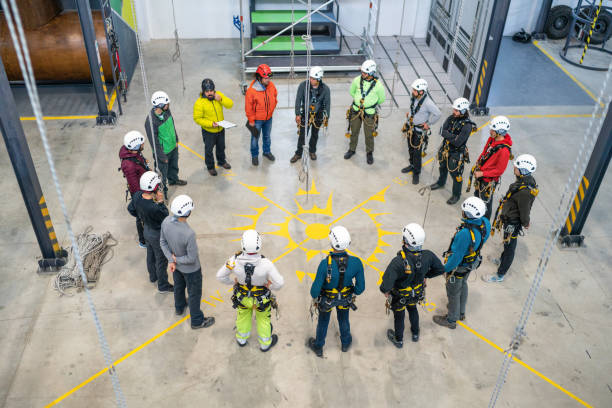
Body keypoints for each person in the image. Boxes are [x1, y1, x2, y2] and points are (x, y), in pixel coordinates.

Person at [216, 230, 284, 351]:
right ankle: (265, 344)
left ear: (242, 244)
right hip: (261, 300)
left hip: (242, 298)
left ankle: (241, 339)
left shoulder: (234, 260)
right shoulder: (266, 264)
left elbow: (220, 276)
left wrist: (233, 282)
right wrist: (270, 286)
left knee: (243, 317)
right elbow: (279, 283)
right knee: (263, 320)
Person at [380, 223, 445, 347]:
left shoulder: (397, 262)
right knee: (413, 309)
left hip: (400, 297)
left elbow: (385, 286)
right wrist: (426, 275)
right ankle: (415, 333)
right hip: (416, 294)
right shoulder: (428, 255)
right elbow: (440, 269)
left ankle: (399, 340)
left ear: (405, 241)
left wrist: (387, 291)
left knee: (399, 317)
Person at [433, 197, 490, 329]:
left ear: (467, 214)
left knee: (453, 292)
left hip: (460, 266)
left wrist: (444, 269)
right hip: (473, 261)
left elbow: (456, 258)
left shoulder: (465, 234)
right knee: (463, 283)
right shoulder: (485, 223)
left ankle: (452, 319)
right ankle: (461, 312)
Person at [307, 226, 365, 357]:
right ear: (348, 243)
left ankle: (319, 346)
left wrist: (316, 298)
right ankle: (345, 343)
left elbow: (314, 291)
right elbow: (360, 288)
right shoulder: (356, 263)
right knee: (343, 319)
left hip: (326, 301)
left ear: (331, 242)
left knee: (323, 322)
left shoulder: (324, 264)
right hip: (345, 299)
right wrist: (351, 292)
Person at [160, 195, 215, 329]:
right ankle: (197, 321)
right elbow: (191, 258)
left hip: (176, 268)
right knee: (194, 294)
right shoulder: (189, 234)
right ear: (188, 212)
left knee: (178, 286)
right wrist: (175, 259)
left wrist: (171, 260)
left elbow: (162, 242)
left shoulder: (166, 221)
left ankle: (179, 307)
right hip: (191, 271)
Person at [485, 154, 538, 283]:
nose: (514, 167)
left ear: (523, 171)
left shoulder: (525, 191)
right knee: (506, 242)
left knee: (510, 247)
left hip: (513, 222)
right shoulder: (523, 181)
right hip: (510, 217)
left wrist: (526, 222)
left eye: (517, 167)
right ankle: (502, 260)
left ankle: (500, 274)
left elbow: (524, 210)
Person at [127, 171, 173, 293]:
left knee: (150, 254)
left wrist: (141, 216)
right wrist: (161, 202)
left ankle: (153, 277)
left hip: (146, 230)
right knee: (161, 260)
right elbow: (166, 216)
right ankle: (163, 285)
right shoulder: (155, 207)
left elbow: (130, 209)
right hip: (157, 235)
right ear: (154, 187)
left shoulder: (137, 195)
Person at [429, 97, 476, 205]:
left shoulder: (467, 126)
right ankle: (441, 182)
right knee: (442, 167)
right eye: (454, 109)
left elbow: (458, 142)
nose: (453, 112)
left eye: (456, 110)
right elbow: (442, 131)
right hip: (445, 148)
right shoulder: (451, 118)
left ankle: (456, 195)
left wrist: (449, 135)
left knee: (456, 174)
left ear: (463, 111)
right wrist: (453, 136)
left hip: (456, 153)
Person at [468, 115, 513, 219]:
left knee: (486, 202)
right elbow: (485, 152)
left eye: (493, 129)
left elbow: (499, 170)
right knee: (477, 195)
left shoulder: (504, 151)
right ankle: (476, 214)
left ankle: (485, 221)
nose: (490, 131)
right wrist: (478, 163)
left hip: (488, 180)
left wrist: (483, 173)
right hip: (481, 174)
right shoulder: (492, 139)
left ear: (500, 132)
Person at [145, 90, 187, 198]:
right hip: (163, 152)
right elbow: (154, 142)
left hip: (173, 146)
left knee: (173, 166)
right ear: (160, 105)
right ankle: (161, 193)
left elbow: (172, 125)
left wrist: (176, 139)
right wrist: (162, 156)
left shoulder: (167, 111)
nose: (168, 105)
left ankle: (173, 180)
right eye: (166, 104)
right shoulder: (151, 121)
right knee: (161, 175)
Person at [344, 59, 386, 165]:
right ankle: (352, 149)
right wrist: (359, 102)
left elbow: (382, 99)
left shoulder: (378, 85)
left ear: (371, 73)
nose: (362, 74)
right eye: (362, 72)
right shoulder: (357, 80)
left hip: (369, 113)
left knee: (369, 134)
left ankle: (369, 152)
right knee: (354, 131)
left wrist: (369, 104)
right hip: (356, 110)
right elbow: (352, 92)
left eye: (365, 72)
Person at [401, 78, 441, 184]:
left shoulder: (428, 103)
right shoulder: (414, 97)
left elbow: (438, 114)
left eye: (415, 90)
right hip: (410, 128)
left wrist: (428, 124)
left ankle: (416, 172)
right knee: (410, 148)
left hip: (419, 131)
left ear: (421, 92)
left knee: (417, 152)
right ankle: (412, 165)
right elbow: (413, 108)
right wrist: (409, 114)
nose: (412, 92)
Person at [193, 78, 234, 176]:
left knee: (221, 147)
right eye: (207, 91)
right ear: (203, 91)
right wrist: (211, 124)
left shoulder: (218, 95)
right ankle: (210, 167)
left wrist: (221, 99)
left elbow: (230, 104)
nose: (210, 93)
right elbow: (197, 118)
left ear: (214, 90)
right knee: (209, 150)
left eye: (211, 91)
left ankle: (221, 161)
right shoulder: (199, 103)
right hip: (209, 131)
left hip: (220, 129)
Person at [290, 66, 331, 163]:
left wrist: (326, 116)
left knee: (315, 134)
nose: (311, 80)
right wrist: (297, 114)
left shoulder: (325, 89)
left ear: (319, 79)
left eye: (313, 79)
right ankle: (298, 153)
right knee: (302, 135)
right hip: (305, 114)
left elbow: (327, 103)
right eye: (310, 77)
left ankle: (312, 151)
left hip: (318, 114)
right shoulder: (303, 86)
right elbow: (298, 100)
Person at [119, 130, 149, 248]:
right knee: (141, 217)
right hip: (140, 193)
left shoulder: (133, 154)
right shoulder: (129, 165)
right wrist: (142, 199)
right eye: (141, 143)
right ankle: (143, 241)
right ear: (135, 145)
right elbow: (134, 185)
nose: (143, 145)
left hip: (143, 186)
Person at [245, 64, 278, 166]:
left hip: (268, 118)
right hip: (257, 120)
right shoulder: (251, 90)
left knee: (267, 136)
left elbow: (275, 96)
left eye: (269, 77)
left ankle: (266, 152)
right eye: (265, 78)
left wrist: (272, 108)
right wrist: (251, 120)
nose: (268, 80)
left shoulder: (271, 85)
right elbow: (248, 107)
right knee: (255, 138)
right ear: (259, 77)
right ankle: (255, 155)